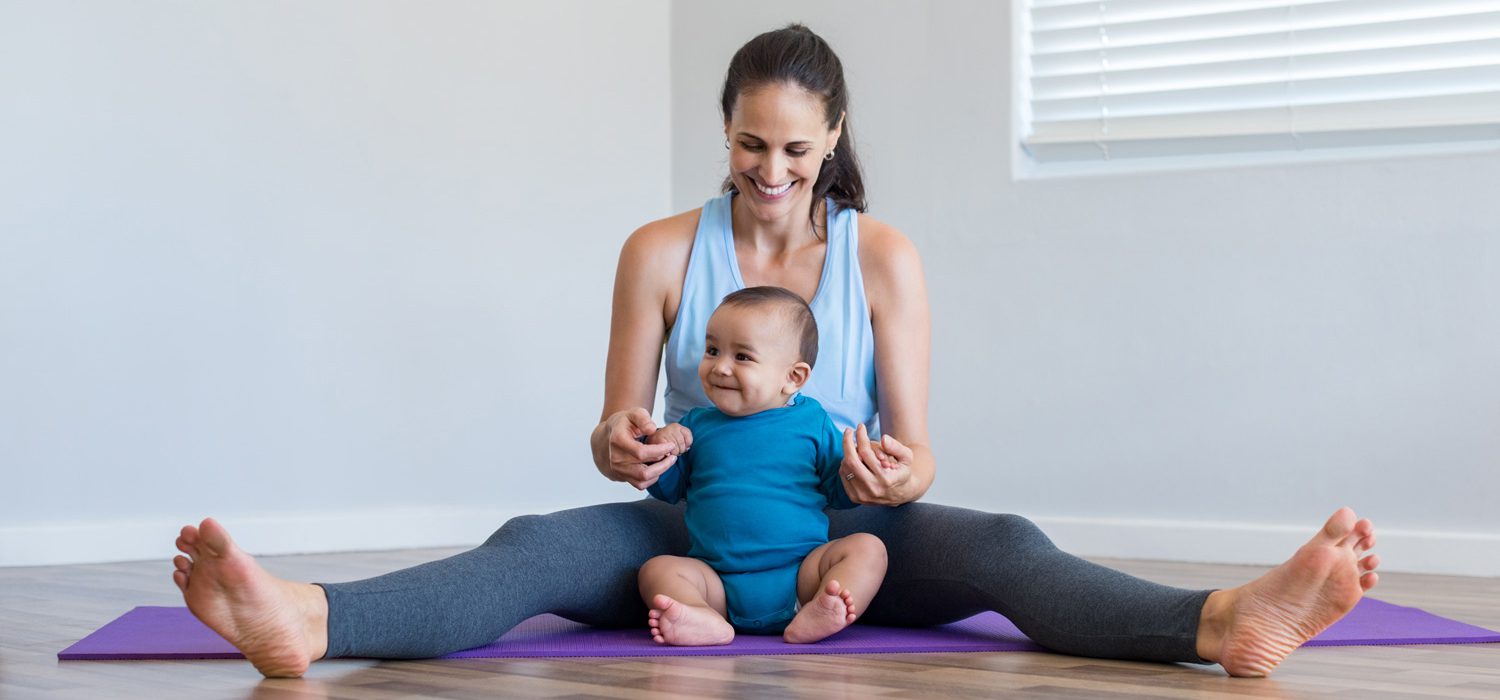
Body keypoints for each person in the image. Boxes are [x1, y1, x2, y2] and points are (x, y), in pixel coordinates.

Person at [170, 23, 1381, 679]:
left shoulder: (884, 255)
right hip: (691, 528)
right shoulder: (656, 249)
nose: (773, 172)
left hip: (842, 537)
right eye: (753, 145)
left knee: (1008, 545)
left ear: (832, 135)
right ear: (727, 132)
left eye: (797, 149)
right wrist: (623, 442)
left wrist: (893, 480)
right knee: (533, 545)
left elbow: (915, 457)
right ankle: (310, 622)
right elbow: (612, 438)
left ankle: (1228, 622)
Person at [639, 286, 888, 645]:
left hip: (802, 574)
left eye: (742, 357)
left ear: (794, 378)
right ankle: (702, 617)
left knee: (868, 548)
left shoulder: (812, 421)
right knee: (656, 570)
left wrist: (862, 467)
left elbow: (840, 490)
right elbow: (667, 488)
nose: (720, 366)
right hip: (716, 581)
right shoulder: (695, 426)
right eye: (712, 350)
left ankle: (823, 607)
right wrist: (661, 446)